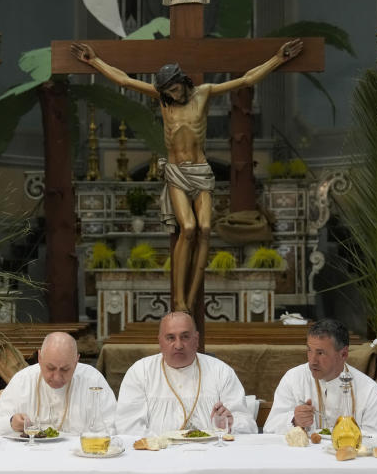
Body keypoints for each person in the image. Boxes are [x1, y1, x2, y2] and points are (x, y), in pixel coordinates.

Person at [71, 39, 303, 312]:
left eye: (176, 87)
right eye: (168, 90)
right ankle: (179, 298)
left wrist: (278, 58)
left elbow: (246, 80)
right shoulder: (163, 100)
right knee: (189, 228)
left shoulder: (203, 93)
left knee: (205, 229)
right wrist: (93, 61)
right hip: (176, 173)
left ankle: (191, 298)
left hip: (201, 171)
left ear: (183, 81)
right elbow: (124, 80)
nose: (173, 93)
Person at [114, 311, 256, 435]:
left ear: (196, 339)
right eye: (170, 338)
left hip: (212, 456)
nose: (178, 345)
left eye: (185, 337)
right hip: (157, 458)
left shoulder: (220, 371)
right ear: (160, 342)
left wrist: (231, 425)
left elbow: (247, 424)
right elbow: (128, 427)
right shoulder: (140, 373)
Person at [264, 318, 377, 435]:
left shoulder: (369, 391)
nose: (312, 361)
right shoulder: (293, 379)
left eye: (320, 353)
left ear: (344, 354)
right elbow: (269, 428)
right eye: (309, 350)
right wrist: (294, 420)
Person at [0, 332, 116, 436]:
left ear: (76, 361)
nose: (57, 377)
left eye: (65, 369)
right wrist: (11, 423)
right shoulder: (23, 380)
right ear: (39, 358)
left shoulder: (93, 380)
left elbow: (112, 428)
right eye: (50, 368)